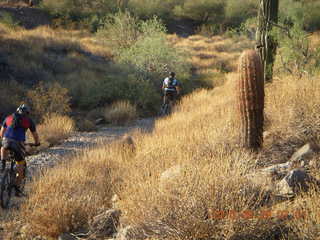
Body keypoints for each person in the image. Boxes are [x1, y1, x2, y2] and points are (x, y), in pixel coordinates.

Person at [0, 104, 40, 195]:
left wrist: (4, 139)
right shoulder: (28, 120)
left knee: (4, 147)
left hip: (6, 141)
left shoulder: (8, 118)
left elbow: (1, 132)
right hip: (18, 144)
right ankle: (17, 188)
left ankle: (3, 163)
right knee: (21, 163)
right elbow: (35, 135)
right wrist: (37, 143)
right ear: (27, 113)